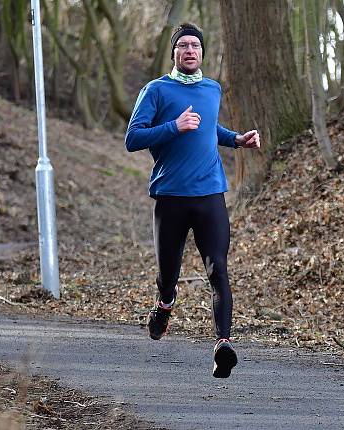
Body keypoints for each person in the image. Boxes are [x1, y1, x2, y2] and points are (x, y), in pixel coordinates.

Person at [125, 23, 260, 378]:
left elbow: (209, 127)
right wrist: (174, 126)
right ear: (174, 53)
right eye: (183, 45)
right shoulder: (156, 90)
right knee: (168, 274)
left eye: (195, 46)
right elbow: (133, 138)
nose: (189, 50)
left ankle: (223, 345)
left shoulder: (212, 88)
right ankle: (164, 305)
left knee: (218, 268)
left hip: (210, 194)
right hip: (170, 196)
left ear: (201, 53)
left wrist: (236, 139)